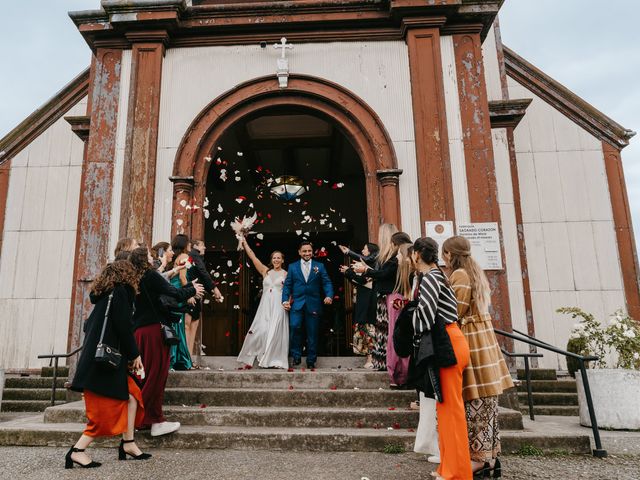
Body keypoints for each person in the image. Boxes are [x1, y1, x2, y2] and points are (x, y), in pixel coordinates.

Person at [68, 260, 150, 469]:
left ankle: (128, 443)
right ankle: (77, 450)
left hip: (102, 361)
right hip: (103, 365)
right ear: (126, 275)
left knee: (132, 397)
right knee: (103, 414)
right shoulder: (120, 292)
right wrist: (134, 355)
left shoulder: (106, 295)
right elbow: (124, 326)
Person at [443, 236, 513, 479]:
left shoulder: (460, 275)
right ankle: (492, 458)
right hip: (484, 339)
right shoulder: (476, 272)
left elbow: (455, 310)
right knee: (487, 404)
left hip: (471, 340)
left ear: (449, 255)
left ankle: (479, 460)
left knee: (475, 402)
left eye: (445, 255)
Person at [412, 237, 472, 480]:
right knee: (446, 409)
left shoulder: (430, 278)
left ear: (416, 254)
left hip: (446, 342)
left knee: (450, 411)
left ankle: (456, 472)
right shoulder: (439, 275)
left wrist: (411, 323)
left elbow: (424, 315)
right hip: (451, 339)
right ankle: (448, 467)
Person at [130, 246, 204, 437]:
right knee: (157, 375)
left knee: (145, 376)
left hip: (140, 332)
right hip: (154, 330)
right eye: (149, 255)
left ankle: (142, 418)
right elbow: (174, 293)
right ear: (144, 260)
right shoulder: (150, 275)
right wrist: (192, 289)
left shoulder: (134, 277)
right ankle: (153, 420)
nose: (152, 258)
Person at [352, 224, 400, 371]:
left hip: (389, 297)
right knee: (383, 331)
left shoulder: (394, 257)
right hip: (382, 296)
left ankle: (389, 362)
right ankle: (384, 361)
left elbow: (384, 274)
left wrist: (365, 270)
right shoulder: (387, 256)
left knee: (387, 330)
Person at [237, 237, 289, 368]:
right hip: (265, 306)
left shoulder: (287, 274)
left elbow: (291, 291)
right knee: (261, 330)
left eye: (279, 258)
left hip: (279, 306)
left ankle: (273, 360)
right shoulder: (265, 271)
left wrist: (288, 302)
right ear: (271, 260)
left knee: (275, 332)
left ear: (282, 260)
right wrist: (244, 242)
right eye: (274, 258)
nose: (276, 260)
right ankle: (262, 354)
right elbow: (253, 257)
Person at [282, 241, 334, 369]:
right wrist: (284, 300)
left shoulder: (319, 266)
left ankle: (311, 360)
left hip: (313, 304)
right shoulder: (292, 267)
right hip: (297, 304)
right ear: (299, 252)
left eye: (309, 251)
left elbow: (327, 282)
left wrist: (329, 295)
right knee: (294, 327)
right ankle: (296, 356)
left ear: (312, 252)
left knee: (312, 332)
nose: (307, 253)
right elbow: (287, 285)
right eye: (304, 251)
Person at [339, 242, 379, 368]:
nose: (362, 251)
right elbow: (357, 282)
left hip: (369, 301)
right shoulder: (364, 265)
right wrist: (348, 273)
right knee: (364, 327)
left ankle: (371, 358)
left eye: (365, 249)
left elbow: (363, 280)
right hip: (362, 299)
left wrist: (349, 272)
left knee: (369, 328)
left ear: (371, 252)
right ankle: (368, 357)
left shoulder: (372, 265)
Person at [186, 239, 223, 358]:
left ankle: (189, 357)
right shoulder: (194, 255)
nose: (205, 248)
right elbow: (203, 272)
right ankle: (188, 357)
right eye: (202, 245)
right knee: (190, 325)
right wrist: (215, 288)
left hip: (195, 292)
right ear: (195, 246)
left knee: (193, 324)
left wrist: (212, 292)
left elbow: (201, 277)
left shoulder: (195, 256)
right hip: (191, 293)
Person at [167, 234, 198, 371]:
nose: (190, 245)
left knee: (176, 324)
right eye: (189, 243)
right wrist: (189, 293)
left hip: (173, 291)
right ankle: (179, 360)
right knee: (179, 324)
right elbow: (182, 277)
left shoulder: (175, 258)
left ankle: (176, 358)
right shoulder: (184, 257)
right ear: (185, 245)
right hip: (179, 291)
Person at [386, 236, 413, 387]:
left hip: (397, 299)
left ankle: (396, 375)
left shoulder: (396, 262)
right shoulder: (412, 273)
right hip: (406, 300)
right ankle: (406, 374)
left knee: (395, 335)